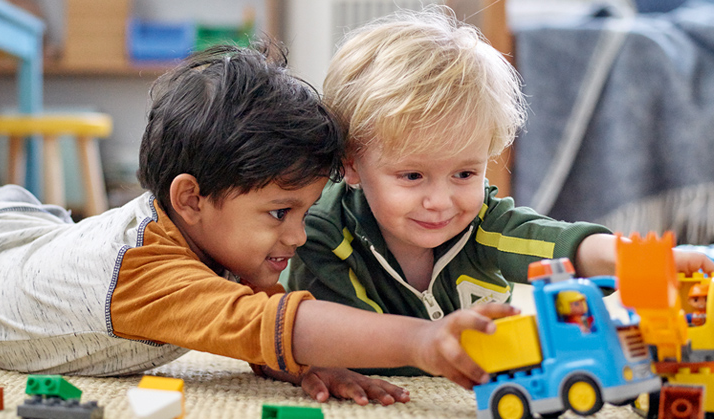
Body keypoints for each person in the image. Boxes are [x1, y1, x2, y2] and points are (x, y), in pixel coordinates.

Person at [0, 38, 519, 406]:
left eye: (304, 211)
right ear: (191, 199)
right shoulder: (145, 274)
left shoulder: (216, 233)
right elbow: (275, 321)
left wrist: (300, 363)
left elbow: (259, 326)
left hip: (39, 236)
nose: (300, 236)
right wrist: (423, 341)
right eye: (280, 213)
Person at [286, 6, 714, 375]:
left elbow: (553, 242)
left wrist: (644, 262)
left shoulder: (482, 222)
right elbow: (336, 342)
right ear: (352, 165)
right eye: (412, 177)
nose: (441, 202)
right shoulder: (322, 234)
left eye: (465, 174)